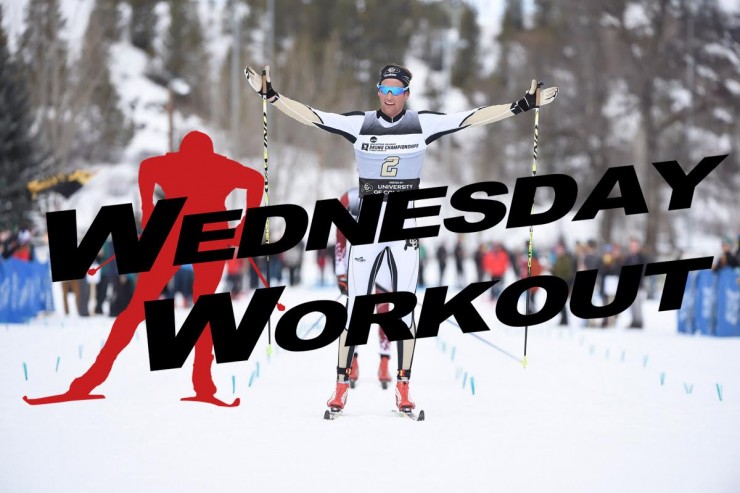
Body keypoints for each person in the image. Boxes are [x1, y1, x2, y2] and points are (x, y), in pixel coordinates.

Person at [246, 63, 558, 413]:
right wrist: (271, 97)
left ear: (406, 94)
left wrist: (521, 105)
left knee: (404, 309)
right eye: (385, 88)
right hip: (367, 228)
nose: (390, 96)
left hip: (405, 225)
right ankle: (340, 386)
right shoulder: (360, 123)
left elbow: (471, 117)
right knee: (355, 309)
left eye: (396, 90)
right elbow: (314, 116)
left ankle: (403, 386)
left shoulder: (423, 124)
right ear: (378, 91)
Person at [25, 131, 264, 406]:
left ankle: (93, 376)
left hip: (174, 235)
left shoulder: (171, 164)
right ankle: (202, 381)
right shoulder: (221, 166)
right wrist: (247, 223)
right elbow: (256, 180)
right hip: (208, 238)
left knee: (141, 306)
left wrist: (149, 210)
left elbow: (146, 168)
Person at [335, 187, 393, 389]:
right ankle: (353, 361)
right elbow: (340, 236)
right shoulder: (351, 197)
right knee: (357, 313)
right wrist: (341, 269)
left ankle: (384, 362)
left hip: (386, 263)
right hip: (359, 262)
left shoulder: (395, 192)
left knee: (384, 313)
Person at [621, 237, 649, 329]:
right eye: (631, 246)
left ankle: (639, 321)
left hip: (639, 284)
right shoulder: (628, 258)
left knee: (638, 304)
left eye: (634, 246)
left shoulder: (642, 257)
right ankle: (634, 321)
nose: (633, 248)